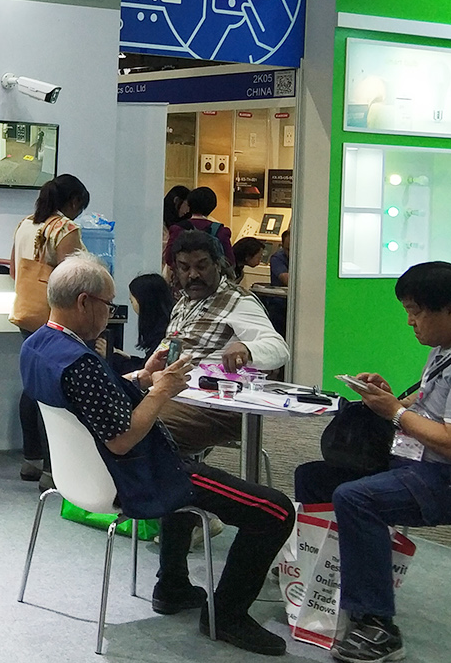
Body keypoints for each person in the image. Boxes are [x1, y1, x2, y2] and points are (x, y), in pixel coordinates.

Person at [21, 255, 295, 656]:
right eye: (108, 305)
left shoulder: (39, 346)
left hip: (85, 476)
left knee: (188, 466)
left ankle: (173, 584)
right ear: (84, 302)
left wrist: (145, 377)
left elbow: (97, 401)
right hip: (134, 475)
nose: (111, 314)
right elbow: (122, 439)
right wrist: (162, 390)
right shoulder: (80, 362)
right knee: (276, 511)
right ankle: (228, 615)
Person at [292, 262, 451, 663]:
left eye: (416, 311)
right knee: (313, 478)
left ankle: (377, 625)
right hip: (412, 464)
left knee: (356, 498)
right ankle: (326, 587)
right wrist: (388, 397)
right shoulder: (441, 351)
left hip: (440, 476)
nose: (410, 321)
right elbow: (424, 409)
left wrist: (394, 412)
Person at [154, 230, 290, 456]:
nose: (193, 275)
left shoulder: (238, 302)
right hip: (175, 393)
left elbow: (279, 349)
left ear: (218, 265)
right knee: (117, 420)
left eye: (201, 266)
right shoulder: (183, 303)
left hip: (215, 404)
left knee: (145, 429)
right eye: (185, 268)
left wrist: (247, 349)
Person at [10, 173, 90, 482]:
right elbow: (72, 280)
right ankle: (52, 469)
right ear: (74, 202)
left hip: (27, 313)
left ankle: (31, 459)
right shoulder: (66, 229)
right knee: (54, 392)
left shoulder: (25, 224)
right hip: (55, 318)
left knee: (32, 387)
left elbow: (14, 271)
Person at [165, 185, 234, 269]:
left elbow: (169, 258)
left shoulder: (177, 229)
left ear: (189, 204)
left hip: (185, 276)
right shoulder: (220, 231)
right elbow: (229, 262)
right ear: (213, 206)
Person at [128, 272, 176, 358]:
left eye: (132, 301)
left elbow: (148, 365)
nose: (132, 303)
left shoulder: (162, 333)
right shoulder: (166, 322)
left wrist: (116, 357)